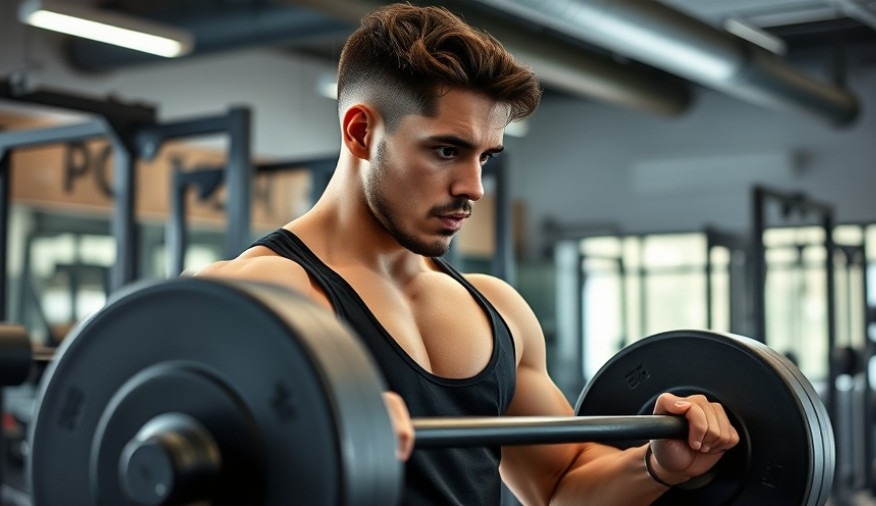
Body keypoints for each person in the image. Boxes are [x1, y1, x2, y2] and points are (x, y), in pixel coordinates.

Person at [197, 3, 739, 504]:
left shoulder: (497, 309)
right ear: (361, 132)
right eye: (446, 150)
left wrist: (660, 465)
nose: (474, 186)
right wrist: (316, 435)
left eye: (486, 157)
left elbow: (557, 486)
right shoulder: (263, 296)